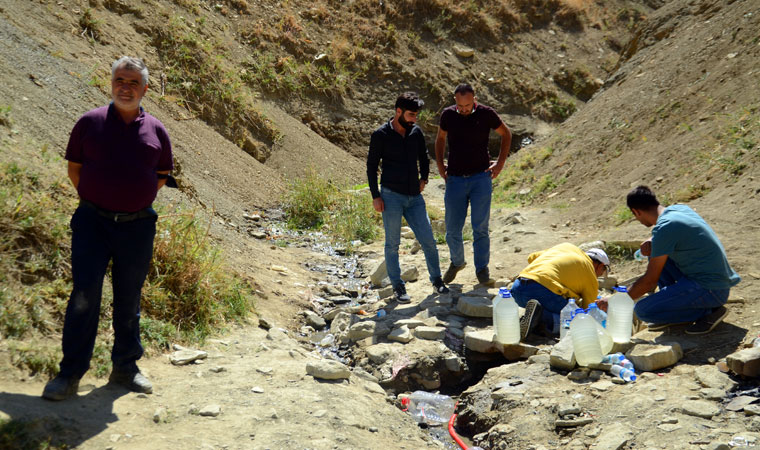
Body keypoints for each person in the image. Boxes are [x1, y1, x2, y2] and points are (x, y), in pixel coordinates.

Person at [43, 57, 174, 400]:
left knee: (129, 300)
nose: (125, 87)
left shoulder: (157, 130)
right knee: (84, 297)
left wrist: (131, 199)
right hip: (92, 222)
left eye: (133, 82)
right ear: (111, 83)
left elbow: (161, 176)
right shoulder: (90, 122)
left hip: (137, 227)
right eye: (120, 80)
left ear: (145, 89)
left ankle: (125, 368)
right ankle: (69, 374)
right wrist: (100, 198)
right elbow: (76, 169)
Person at [598, 186, 740, 334]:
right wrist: (652, 239)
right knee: (655, 253)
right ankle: (674, 305)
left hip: (711, 289)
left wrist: (615, 300)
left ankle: (709, 312)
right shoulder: (678, 209)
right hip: (716, 281)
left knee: (643, 311)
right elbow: (677, 230)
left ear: (636, 212)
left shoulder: (664, 229)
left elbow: (649, 281)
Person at [367, 92, 449, 303]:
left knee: (428, 240)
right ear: (398, 112)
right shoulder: (380, 135)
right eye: (411, 114)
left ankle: (437, 281)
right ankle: (398, 288)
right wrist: (376, 196)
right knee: (392, 244)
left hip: (414, 197)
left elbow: (424, 157)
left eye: (416, 115)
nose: (415, 119)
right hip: (391, 196)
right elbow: (371, 167)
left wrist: (424, 179)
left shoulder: (416, 132)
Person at [435, 83, 511, 286]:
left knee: (480, 227)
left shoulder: (487, 114)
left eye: (467, 106)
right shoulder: (448, 115)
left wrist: (500, 162)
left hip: (481, 178)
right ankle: (457, 262)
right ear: (455, 101)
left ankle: (482, 269)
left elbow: (506, 134)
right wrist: (440, 165)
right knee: (452, 228)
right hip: (455, 179)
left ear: (474, 100)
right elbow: (440, 138)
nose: (464, 110)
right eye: (460, 106)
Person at [510, 243, 610, 338]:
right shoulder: (590, 274)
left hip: (517, 287)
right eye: (602, 272)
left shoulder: (566, 247)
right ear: (600, 266)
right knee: (574, 318)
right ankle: (540, 320)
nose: (600, 275)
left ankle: (531, 316)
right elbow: (588, 310)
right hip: (541, 290)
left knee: (542, 305)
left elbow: (531, 257)